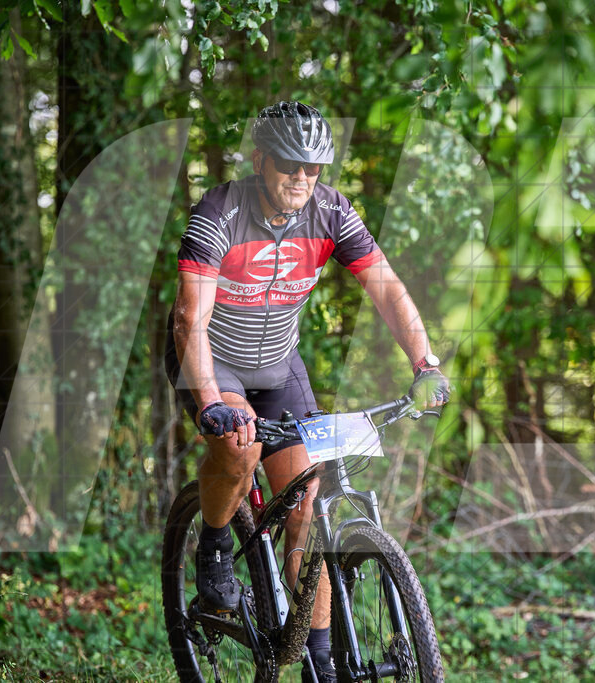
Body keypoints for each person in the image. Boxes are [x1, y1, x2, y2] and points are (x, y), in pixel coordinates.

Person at [164, 101, 449, 682]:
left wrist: (424, 362)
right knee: (240, 448)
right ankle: (217, 544)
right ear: (261, 158)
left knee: (305, 503)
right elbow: (189, 316)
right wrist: (212, 401)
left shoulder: (330, 211)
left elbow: (386, 287)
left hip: (279, 366)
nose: (301, 177)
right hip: (216, 363)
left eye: (313, 167)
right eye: (290, 163)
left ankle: (320, 662)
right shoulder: (218, 212)